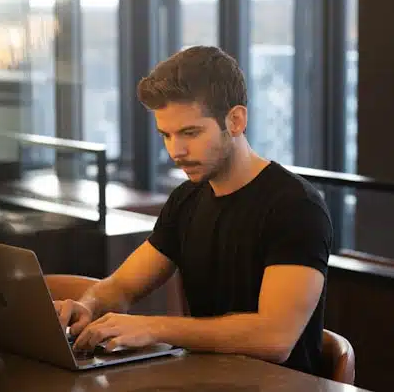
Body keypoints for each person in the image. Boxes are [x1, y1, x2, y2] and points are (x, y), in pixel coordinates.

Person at [54, 45, 333, 376]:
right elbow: (124, 286)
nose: (176, 150)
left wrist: (155, 328)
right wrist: (87, 306)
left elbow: (274, 338)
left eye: (190, 132)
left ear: (236, 120)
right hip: (206, 380)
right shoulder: (186, 199)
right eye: (166, 136)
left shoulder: (296, 207)